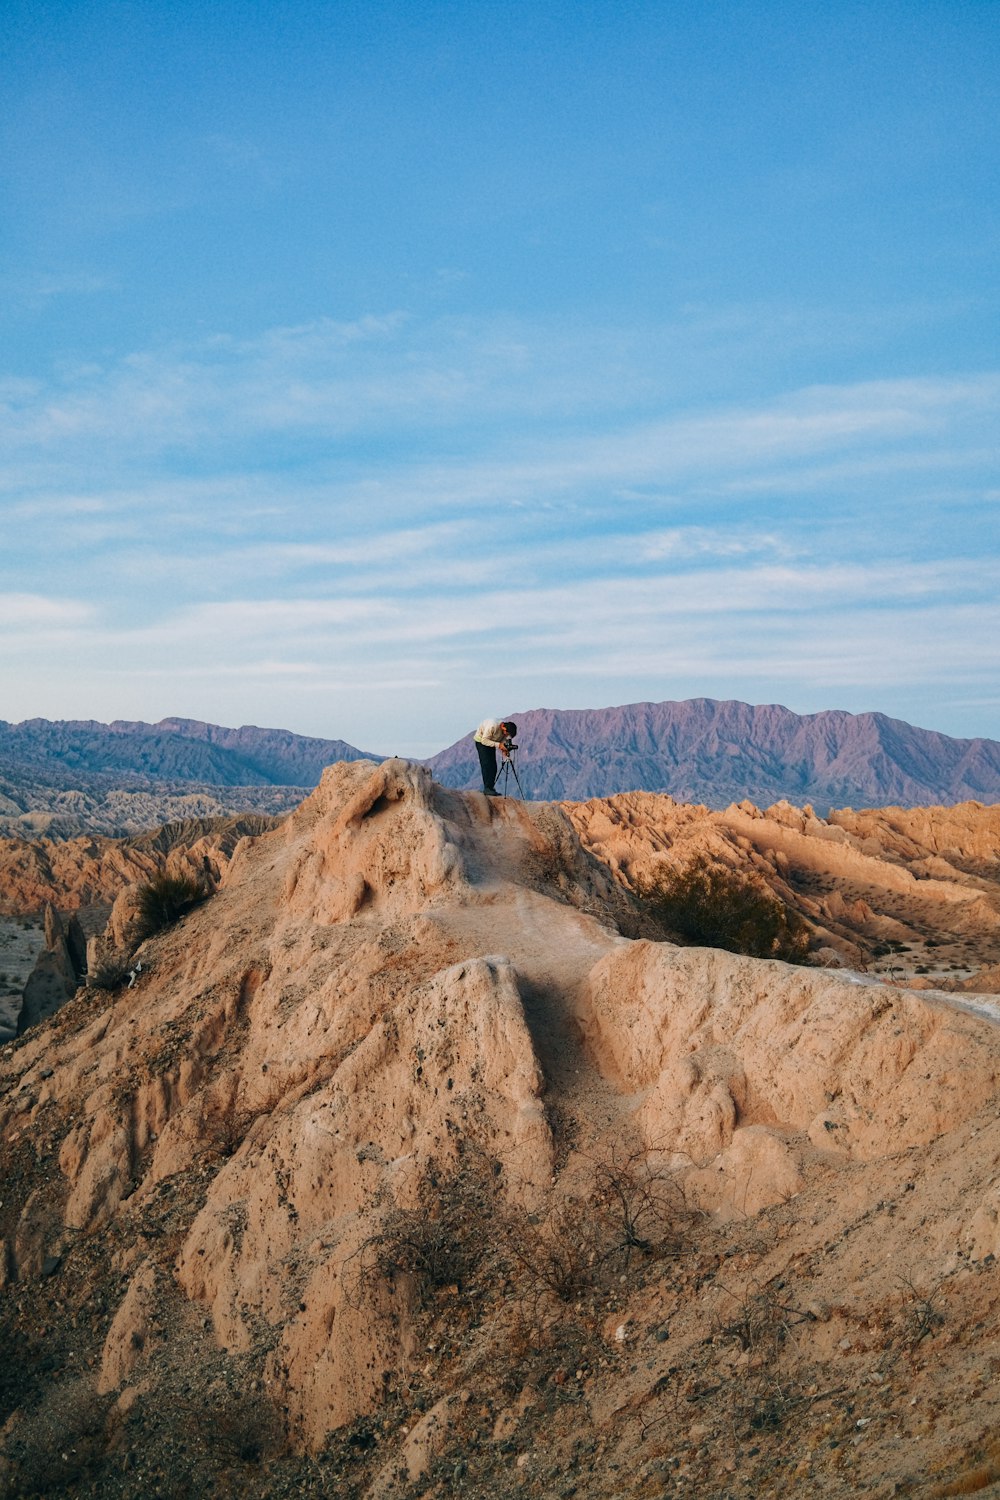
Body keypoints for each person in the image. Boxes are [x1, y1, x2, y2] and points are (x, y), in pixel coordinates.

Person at [473, 717, 518, 796]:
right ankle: (487, 788)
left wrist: (505, 750)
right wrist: (499, 745)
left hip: (492, 742)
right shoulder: (492, 726)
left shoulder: (505, 732)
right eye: (506, 733)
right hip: (481, 741)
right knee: (486, 763)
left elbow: (502, 741)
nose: (506, 735)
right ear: (503, 727)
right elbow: (484, 740)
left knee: (493, 765)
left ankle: (491, 788)